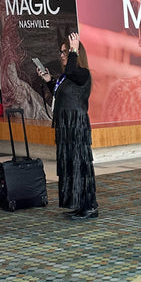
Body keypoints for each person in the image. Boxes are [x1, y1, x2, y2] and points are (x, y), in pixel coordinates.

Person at [37, 31, 98, 219]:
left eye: (65, 52)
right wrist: (49, 82)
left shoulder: (81, 73)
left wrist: (74, 50)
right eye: (62, 52)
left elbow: (72, 70)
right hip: (65, 126)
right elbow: (60, 95)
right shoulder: (66, 78)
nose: (62, 55)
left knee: (80, 164)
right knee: (70, 164)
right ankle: (79, 203)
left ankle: (89, 206)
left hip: (76, 125)